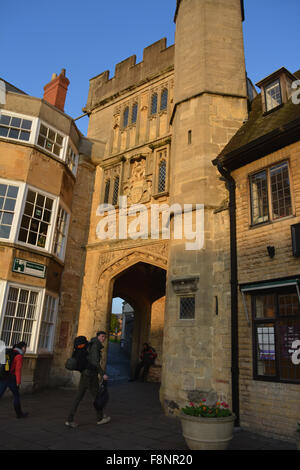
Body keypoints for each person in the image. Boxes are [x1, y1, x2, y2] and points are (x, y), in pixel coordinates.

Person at [65, 331, 110, 428]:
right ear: (97, 337)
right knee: (97, 396)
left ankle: (69, 419)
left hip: (85, 374)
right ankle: (100, 418)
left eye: (104, 337)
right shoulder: (95, 346)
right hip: (90, 375)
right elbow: (95, 362)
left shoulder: (91, 344)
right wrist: (103, 374)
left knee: (78, 397)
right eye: (102, 336)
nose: (103, 339)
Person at [0, 341, 28, 419]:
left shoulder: (8, 352)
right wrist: (18, 382)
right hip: (11, 379)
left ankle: (19, 414)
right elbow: (18, 370)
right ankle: (19, 414)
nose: (25, 350)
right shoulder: (18, 356)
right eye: (25, 348)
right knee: (16, 396)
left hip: (2, 376)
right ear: (22, 348)